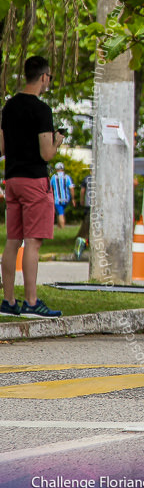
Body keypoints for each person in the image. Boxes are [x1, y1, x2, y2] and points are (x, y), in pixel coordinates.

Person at [0, 55, 64, 318]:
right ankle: (31, 302)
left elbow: (2, 148)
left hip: (12, 180)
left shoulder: (8, 108)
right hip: (34, 181)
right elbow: (47, 153)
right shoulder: (42, 111)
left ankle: (8, 302)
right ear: (44, 77)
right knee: (33, 244)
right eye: (49, 77)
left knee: (12, 241)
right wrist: (58, 140)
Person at [74, 173, 93, 260]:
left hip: (88, 204)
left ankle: (83, 242)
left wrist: (82, 200)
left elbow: (82, 191)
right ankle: (83, 243)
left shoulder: (87, 178)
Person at [49, 162, 75, 229]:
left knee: (60, 213)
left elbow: (50, 188)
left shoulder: (54, 177)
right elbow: (71, 188)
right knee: (60, 212)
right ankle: (59, 227)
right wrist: (73, 199)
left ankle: (63, 228)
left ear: (56, 169)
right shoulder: (67, 177)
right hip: (66, 198)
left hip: (57, 199)